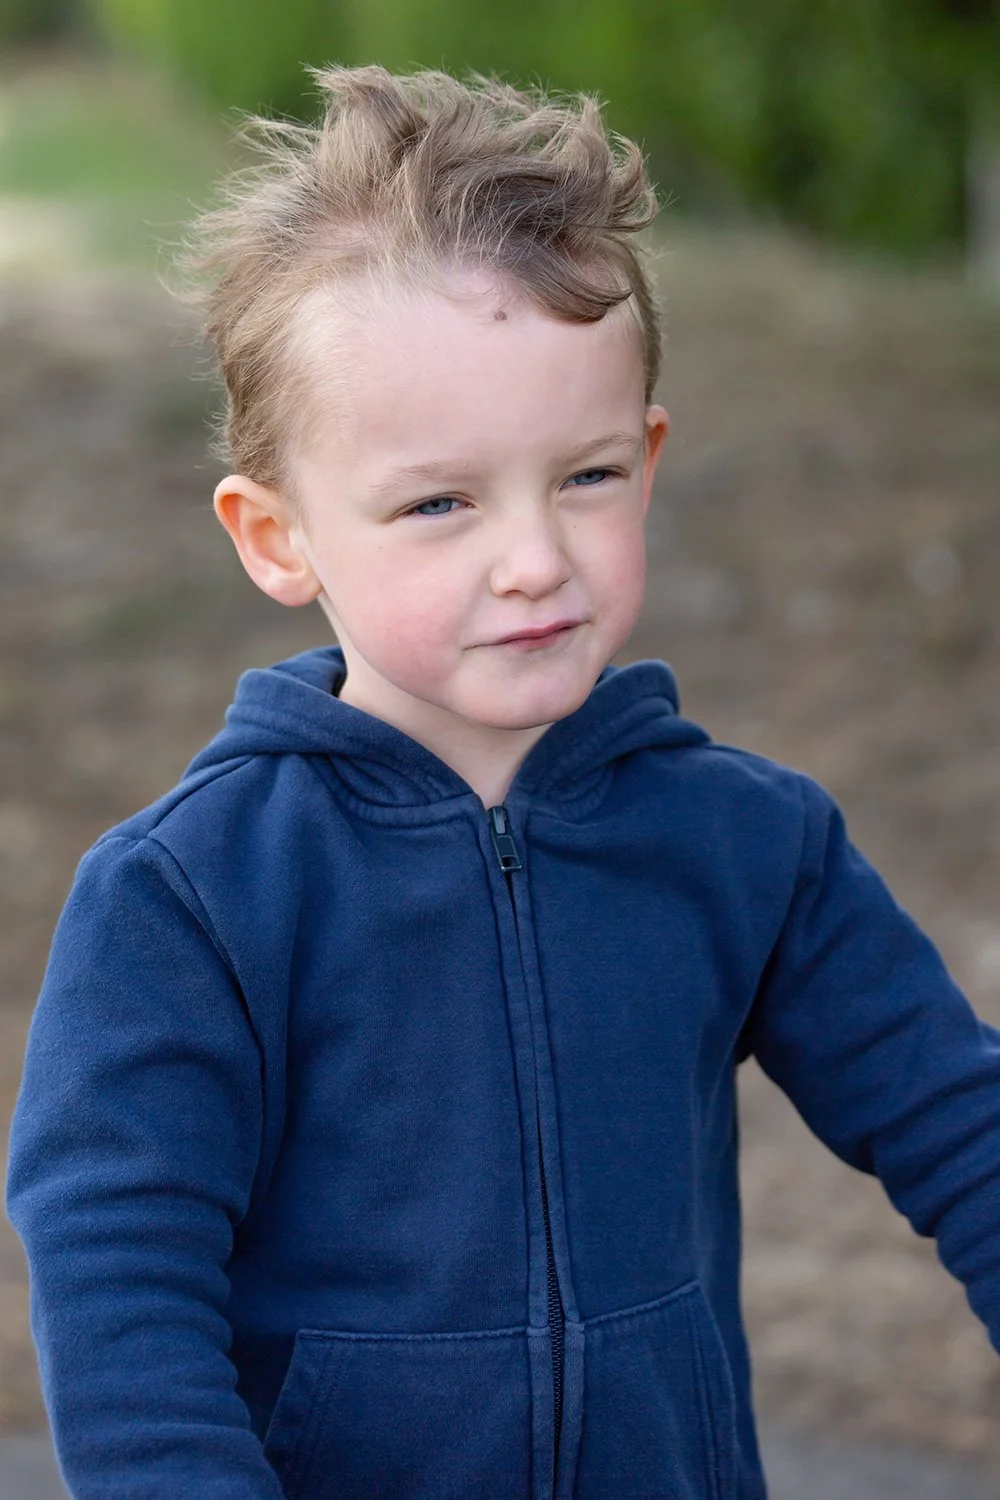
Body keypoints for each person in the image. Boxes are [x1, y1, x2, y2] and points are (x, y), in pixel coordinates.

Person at [6, 63, 1000, 1500]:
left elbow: (956, 1123)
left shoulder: (744, 843)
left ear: (648, 464)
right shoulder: (191, 896)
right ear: (277, 535)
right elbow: (119, 1290)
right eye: (440, 502)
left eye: (585, 477)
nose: (533, 556)